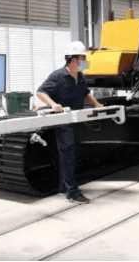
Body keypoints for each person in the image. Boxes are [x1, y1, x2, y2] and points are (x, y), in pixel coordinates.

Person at [36, 41, 103, 204]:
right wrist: (53, 104)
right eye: (83, 58)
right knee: (68, 155)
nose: (85, 61)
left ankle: (63, 188)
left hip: (76, 120)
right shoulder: (58, 75)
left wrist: (96, 104)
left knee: (70, 155)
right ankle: (72, 193)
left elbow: (86, 92)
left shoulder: (80, 76)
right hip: (64, 122)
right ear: (74, 60)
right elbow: (40, 92)